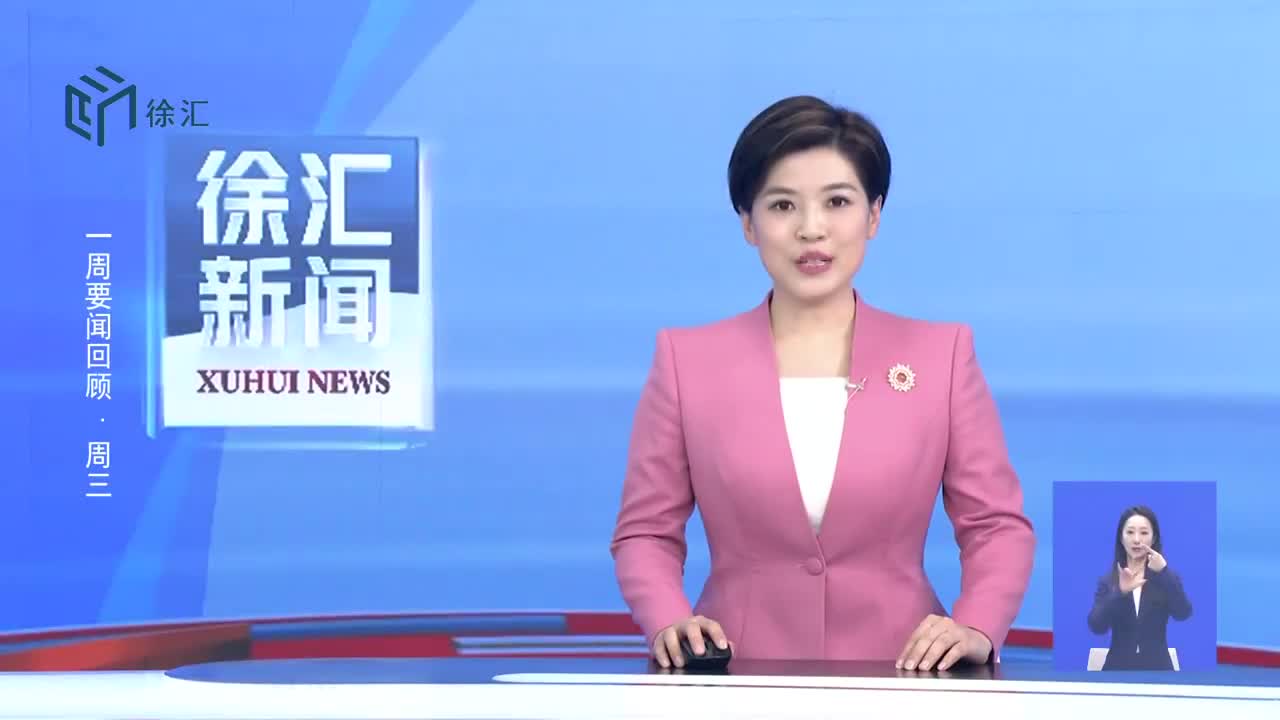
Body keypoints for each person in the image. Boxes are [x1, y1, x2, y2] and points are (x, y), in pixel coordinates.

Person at [609, 95, 1036, 672]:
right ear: (748, 223)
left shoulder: (943, 356)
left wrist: (978, 625)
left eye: (837, 201)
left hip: (908, 678)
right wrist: (668, 620)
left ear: (874, 215)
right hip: (735, 680)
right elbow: (646, 532)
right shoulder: (686, 361)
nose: (811, 229)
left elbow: (995, 526)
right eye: (782, 205)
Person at [1087, 505, 1192, 670]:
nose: (1136, 540)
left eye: (1144, 533)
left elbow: (1183, 613)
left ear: (1154, 538)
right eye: (1130, 532)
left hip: (1158, 669)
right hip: (1117, 669)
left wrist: (1163, 572)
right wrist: (1120, 592)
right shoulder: (1109, 581)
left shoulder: (1166, 578)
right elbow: (1097, 626)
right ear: (1121, 538)